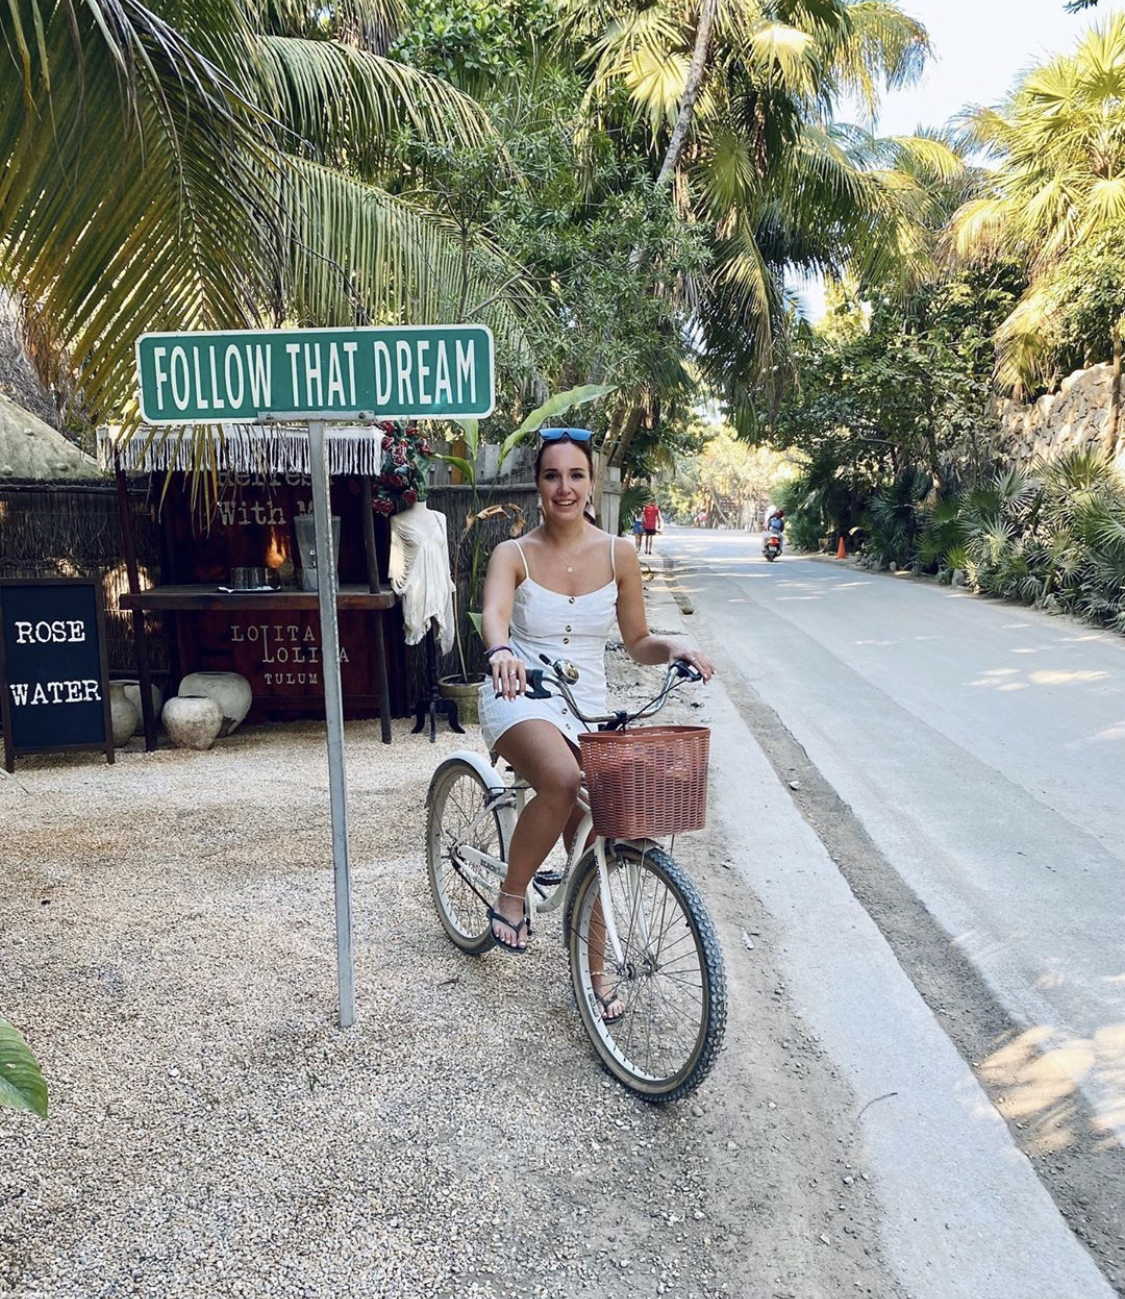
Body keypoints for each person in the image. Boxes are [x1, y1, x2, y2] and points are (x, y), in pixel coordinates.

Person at [477, 431, 714, 1019]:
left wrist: (674, 646)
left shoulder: (618, 554)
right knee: (560, 780)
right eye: (552, 475)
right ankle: (512, 895)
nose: (565, 487)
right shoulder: (513, 554)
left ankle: (596, 972)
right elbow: (495, 616)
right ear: (538, 486)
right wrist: (501, 651)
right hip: (521, 692)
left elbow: (637, 641)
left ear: (592, 485)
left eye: (576, 475)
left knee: (605, 830)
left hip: (587, 707)